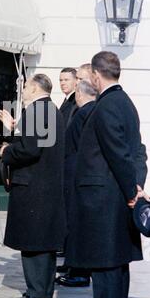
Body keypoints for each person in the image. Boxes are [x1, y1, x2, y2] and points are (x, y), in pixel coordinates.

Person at [65, 51, 148, 298]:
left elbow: (118, 154)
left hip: (106, 200)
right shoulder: (125, 103)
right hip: (116, 196)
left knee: (105, 267)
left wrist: (131, 192)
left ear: (96, 76)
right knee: (115, 266)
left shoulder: (108, 105)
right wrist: (137, 185)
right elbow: (137, 152)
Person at [0, 74, 67, 298]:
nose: (23, 90)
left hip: (32, 186)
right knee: (43, 243)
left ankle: (37, 290)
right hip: (46, 185)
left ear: (36, 89)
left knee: (32, 242)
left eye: (26, 86)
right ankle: (42, 289)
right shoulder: (53, 110)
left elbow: (29, 150)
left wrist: (6, 152)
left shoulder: (35, 111)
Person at [55, 80, 97, 287]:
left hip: (75, 175)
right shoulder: (90, 111)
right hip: (77, 174)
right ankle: (74, 266)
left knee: (76, 224)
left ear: (80, 94)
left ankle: (78, 272)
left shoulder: (84, 112)